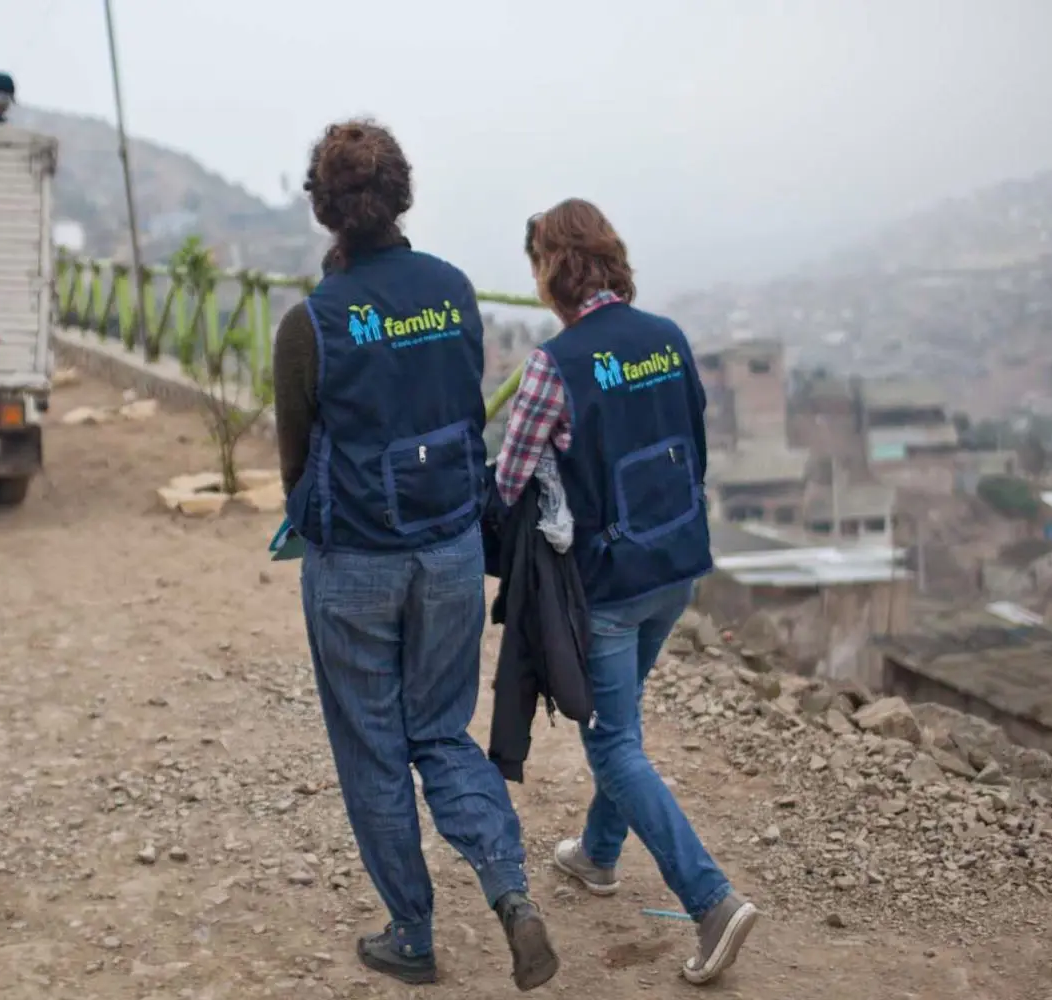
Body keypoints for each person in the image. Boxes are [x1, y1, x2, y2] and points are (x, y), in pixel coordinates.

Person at [271, 119, 559, 992]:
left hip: (355, 561)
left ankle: (412, 932)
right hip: (449, 552)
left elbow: (294, 460)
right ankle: (511, 894)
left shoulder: (309, 324)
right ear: (401, 195)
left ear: (326, 211)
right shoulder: (454, 291)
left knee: (371, 745)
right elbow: (461, 411)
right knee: (439, 730)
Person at [495, 199, 759, 987]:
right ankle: (598, 854)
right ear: (610, 256)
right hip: (674, 565)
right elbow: (698, 443)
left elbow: (509, 481)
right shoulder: (668, 338)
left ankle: (710, 901)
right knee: (623, 723)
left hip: (605, 586)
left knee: (611, 742)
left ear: (550, 270)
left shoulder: (554, 365)